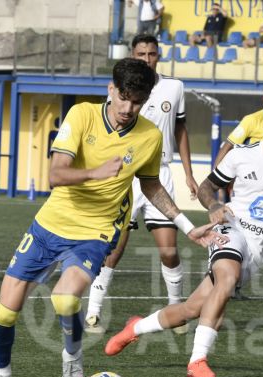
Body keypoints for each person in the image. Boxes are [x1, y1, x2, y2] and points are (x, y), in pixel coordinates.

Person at [0, 58, 225, 377]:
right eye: (124, 98)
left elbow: (151, 185)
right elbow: (56, 174)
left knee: (65, 298)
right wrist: (96, 172)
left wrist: (185, 225)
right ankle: (1, 376)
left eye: (138, 101)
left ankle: (72, 362)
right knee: (4, 312)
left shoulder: (150, 136)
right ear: (111, 90)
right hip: (50, 223)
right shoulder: (81, 116)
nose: (128, 108)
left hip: (97, 230)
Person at [103, 99, 263, 377]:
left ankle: (134, 328)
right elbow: (207, 187)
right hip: (228, 227)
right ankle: (197, 360)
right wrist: (213, 205)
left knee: (193, 308)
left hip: (259, 247)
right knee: (226, 278)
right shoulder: (241, 155)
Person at [85, 34, 200, 335]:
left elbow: (180, 128)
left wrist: (188, 172)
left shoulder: (174, 87)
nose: (146, 59)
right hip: (125, 174)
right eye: (140, 54)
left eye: (151, 54)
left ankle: (175, 312)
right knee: (114, 246)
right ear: (132, 55)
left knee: (168, 250)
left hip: (158, 174)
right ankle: (93, 311)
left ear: (158, 55)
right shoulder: (122, 88)